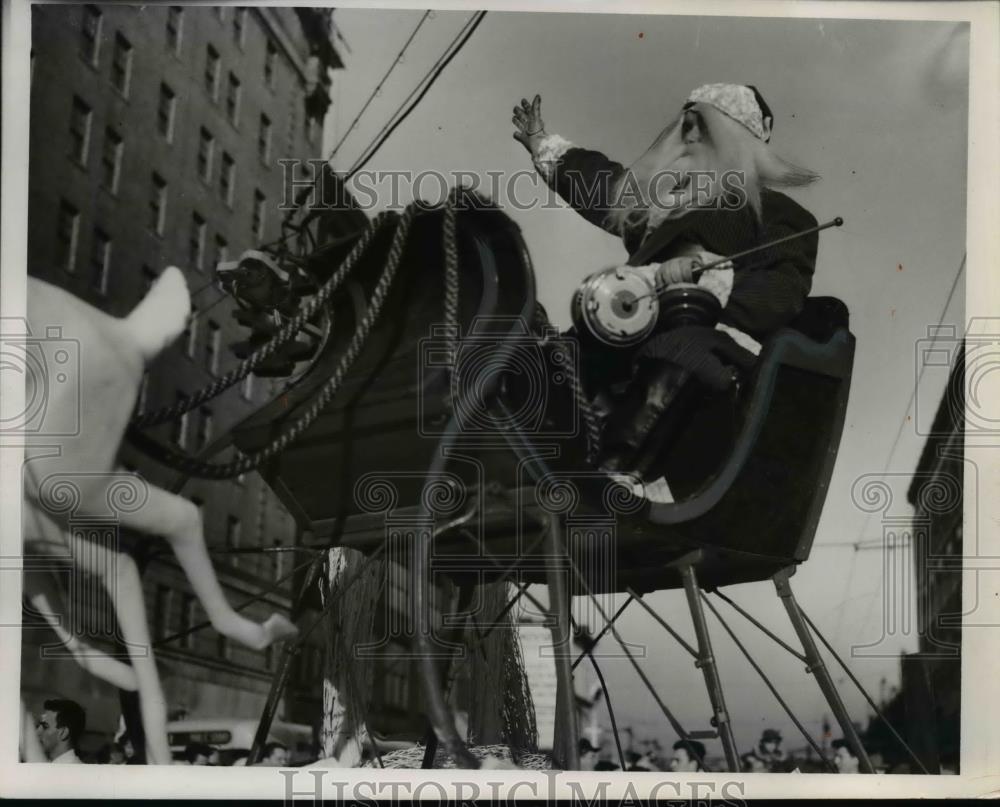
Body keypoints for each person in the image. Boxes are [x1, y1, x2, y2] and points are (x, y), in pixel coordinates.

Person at [513, 86, 819, 497]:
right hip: (631, 329)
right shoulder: (666, 206)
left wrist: (709, 279)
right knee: (549, 358)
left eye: (703, 128)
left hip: (716, 346)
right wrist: (543, 145)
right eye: (686, 127)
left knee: (679, 348)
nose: (690, 137)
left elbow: (782, 290)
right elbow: (603, 188)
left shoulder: (784, 215)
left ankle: (626, 477)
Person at [35, 698, 86, 763]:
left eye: (45, 727)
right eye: (38, 726)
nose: (37, 732)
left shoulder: (75, 770)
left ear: (63, 733)